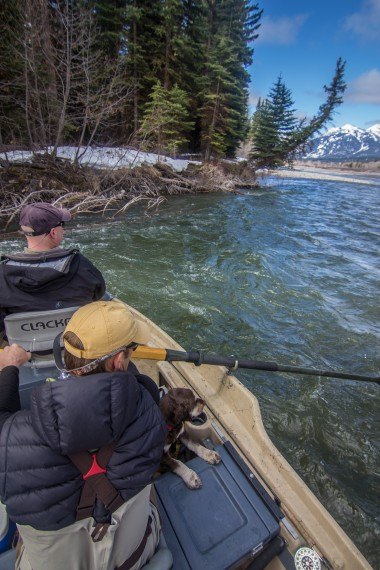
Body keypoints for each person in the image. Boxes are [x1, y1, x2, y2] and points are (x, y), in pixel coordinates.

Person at [0, 301, 167, 570]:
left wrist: (8, 368)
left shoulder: (12, 441)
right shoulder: (150, 413)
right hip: (135, 558)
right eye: (131, 352)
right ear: (120, 360)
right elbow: (139, 386)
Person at [0, 202, 106, 334]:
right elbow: (99, 292)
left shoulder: (3, 275)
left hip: (24, 349)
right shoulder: (81, 265)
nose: (63, 228)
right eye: (62, 224)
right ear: (53, 233)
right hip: (73, 345)